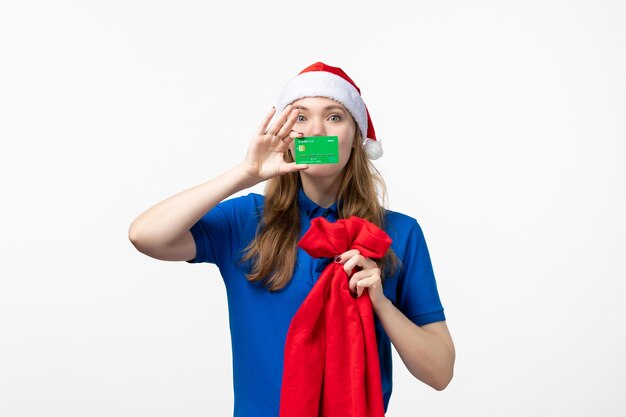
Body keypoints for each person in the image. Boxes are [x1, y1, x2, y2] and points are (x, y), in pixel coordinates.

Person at [129, 61, 455, 417]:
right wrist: (245, 173)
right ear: (286, 135)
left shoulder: (399, 233)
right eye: (301, 117)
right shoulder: (247, 220)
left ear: (356, 136)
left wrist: (381, 303)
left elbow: (439, 373)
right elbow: (145, 236)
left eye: (334, 117)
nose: (316, 130)